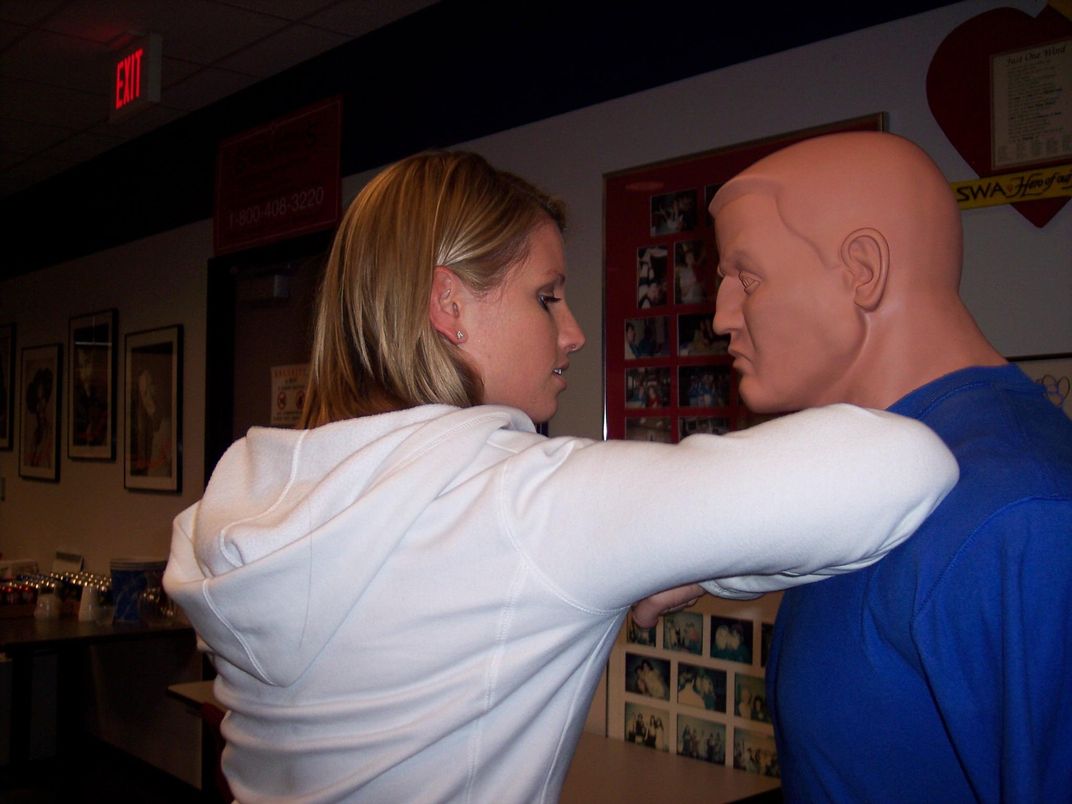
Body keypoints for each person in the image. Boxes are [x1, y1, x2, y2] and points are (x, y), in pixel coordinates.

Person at [163, 150, 958, 803]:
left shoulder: (250, 501)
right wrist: (702, 558)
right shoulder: (520, 505)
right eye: (546, 297)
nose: (573, 333)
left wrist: (692, 556)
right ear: (451, 304)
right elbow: (903, 464)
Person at [707, 131, 1072, 802]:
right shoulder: (860, 475)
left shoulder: (1019, 515)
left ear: (862, 270)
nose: (721, 316)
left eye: (746, 277)